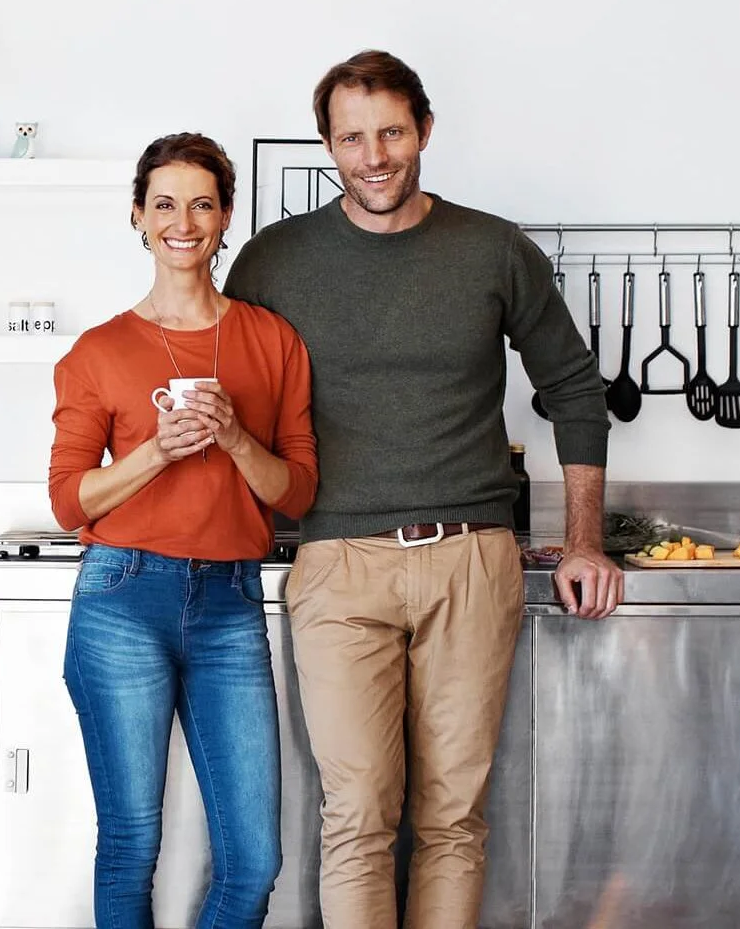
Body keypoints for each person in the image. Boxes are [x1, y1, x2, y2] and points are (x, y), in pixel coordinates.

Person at [224, 50, 624, 929]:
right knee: (358, 817)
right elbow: (227, 393)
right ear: (329, 146)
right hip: (336, 566)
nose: (375, 155)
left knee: (451, 820)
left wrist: (586, 538)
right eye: (353, 137)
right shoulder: (271, 261)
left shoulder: (493, 248)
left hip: (473, 561)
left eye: (392, 133)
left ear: (425, 131)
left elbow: (575, 388)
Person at [49, 132, 318, 929]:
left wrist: (235, 438)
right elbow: (71, 499)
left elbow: (298, 492)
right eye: (164, 203)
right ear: (138, 216)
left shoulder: (271, 340)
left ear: (225, 217)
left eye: (202, 203)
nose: (183, 220)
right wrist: (158, 450)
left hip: (230, 602)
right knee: (131, 843)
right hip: (122, 599)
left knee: (254, 859)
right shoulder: (98, 351)